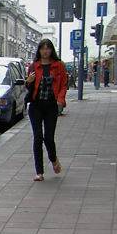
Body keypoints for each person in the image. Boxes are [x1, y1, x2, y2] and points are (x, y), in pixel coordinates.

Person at [25, 39, 68, 182]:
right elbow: (29, 87)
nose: (45, 51)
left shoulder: (59, 65)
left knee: (49, 138)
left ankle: (54, 159)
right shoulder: (33, 66)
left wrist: (60, 100)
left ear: (51, 50)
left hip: (51, 106)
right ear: (39, 51)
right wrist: (28, 81)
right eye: (42, 49)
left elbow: (63, 85)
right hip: (36, 106)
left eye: (47, 48)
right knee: (38, 138)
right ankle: (39, 172)